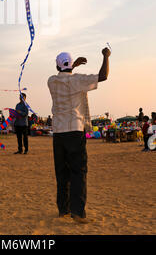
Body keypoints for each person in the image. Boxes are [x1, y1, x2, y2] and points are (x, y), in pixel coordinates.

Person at [47, 48, 111, 224]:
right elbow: (103, 76)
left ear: (56, 65)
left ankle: (63, 210)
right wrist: (106, 56)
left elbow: (63, 75)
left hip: (58, 132)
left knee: (62, 172)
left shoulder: (51, 81)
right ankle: (78, 212)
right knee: (78, 171)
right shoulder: (78, 80)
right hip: (75, 130)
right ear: (71, 66)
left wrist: (71, 65)